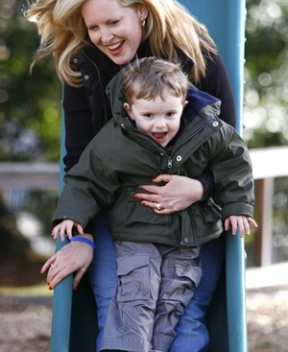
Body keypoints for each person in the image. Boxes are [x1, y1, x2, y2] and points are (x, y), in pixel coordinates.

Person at [27, 0, 240, 351]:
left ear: (140, 12)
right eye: (94, 27)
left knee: (182, 315)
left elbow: (229, 144)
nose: (104, 36)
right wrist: (82, 237)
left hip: (191, 213)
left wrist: (200, 188)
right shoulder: (85, 67)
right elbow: (80, 162)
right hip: (119, 211)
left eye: (113, 22)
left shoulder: (196, 54)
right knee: (122, 310)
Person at [51, 57, 256, 352]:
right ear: (129, 111)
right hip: (135, 234)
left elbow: (235, 163)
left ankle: (157, 348)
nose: (160, 125)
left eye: (169, 114)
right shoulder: (115, 140)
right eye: (148, 116)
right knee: (136, 294)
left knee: (174, 298)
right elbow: (87, 178)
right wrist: (72, 215)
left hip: (186, 237)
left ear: (183, 106)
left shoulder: (207, 131)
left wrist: (237, 205)